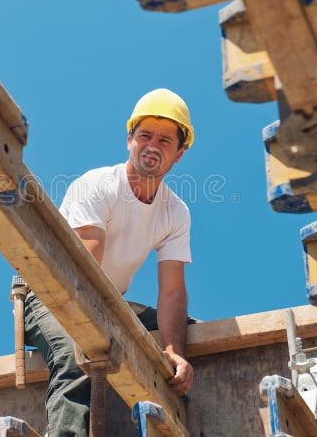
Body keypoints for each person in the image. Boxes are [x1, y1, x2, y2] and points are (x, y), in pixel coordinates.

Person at [24, 88, 196, 437]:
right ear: (129, 140)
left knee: (193, 332)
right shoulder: (99, 186)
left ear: (178, 155)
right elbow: (82, 274)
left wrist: (173, 351)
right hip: (53, 296)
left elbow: (173, 293)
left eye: (165, 140)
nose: (152, 145)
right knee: (77, 358)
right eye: (145, 135)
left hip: (111, 304)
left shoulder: (175, 212)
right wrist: (106, 331)